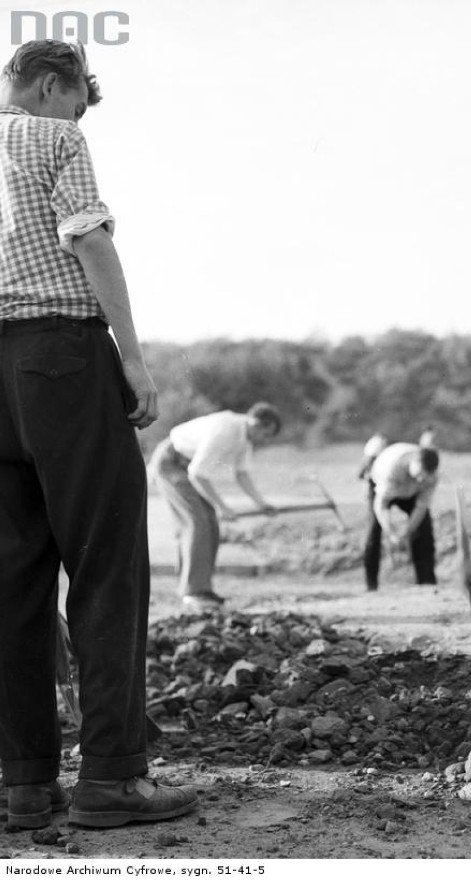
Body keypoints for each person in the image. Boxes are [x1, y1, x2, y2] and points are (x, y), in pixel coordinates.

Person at [0, 40, 198, 829]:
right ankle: (112, 779)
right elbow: (88, 237)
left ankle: (23, 784)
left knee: (12, 583)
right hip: (61, 359)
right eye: (78, 101)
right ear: (53, 86)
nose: (79, 116)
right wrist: (134, 359)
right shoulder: (54, 137)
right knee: (108, 566)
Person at [149, 403, 282, 611]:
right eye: (266, 434)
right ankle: (192, 592)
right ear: (256, 423)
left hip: (186, 467)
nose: (265, 441)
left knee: (210, 523)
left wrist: (261, 504)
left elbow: (242, 474)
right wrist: (221, 507)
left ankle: (202, 588)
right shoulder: (225, 430)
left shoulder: (245, 437)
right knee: (197, 522)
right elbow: (197, 474)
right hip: (170, 463)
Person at [364, 442, 440, 591]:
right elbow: (381, 506)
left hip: (411, 494)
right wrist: (391, 533)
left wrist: (406, 533)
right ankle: (371, 584)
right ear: (415, 462)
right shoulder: (392, 467)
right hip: (382, 489)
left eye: (425, 478)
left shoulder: (431, 477)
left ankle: (426, 583)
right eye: (420, 475)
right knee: (373, 531)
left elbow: (421, 507)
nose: (421, 480)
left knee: (423, 528)